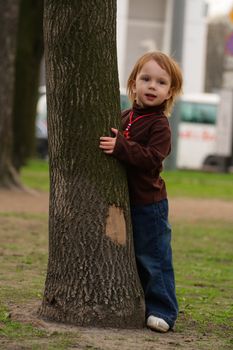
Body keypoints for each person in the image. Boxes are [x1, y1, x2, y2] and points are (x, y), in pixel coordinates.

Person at [99, 51, 183, 332]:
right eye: (145, 79)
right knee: (133, 256)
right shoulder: (125, 115)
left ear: (169, 91)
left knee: (154, 257)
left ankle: (164, 310)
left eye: (160, 82)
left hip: (150, 204)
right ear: (133, 84)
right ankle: (142, 301)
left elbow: (151, 158)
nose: (151, 86)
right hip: (127, 202)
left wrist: (121, 146)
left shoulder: (160, 125)